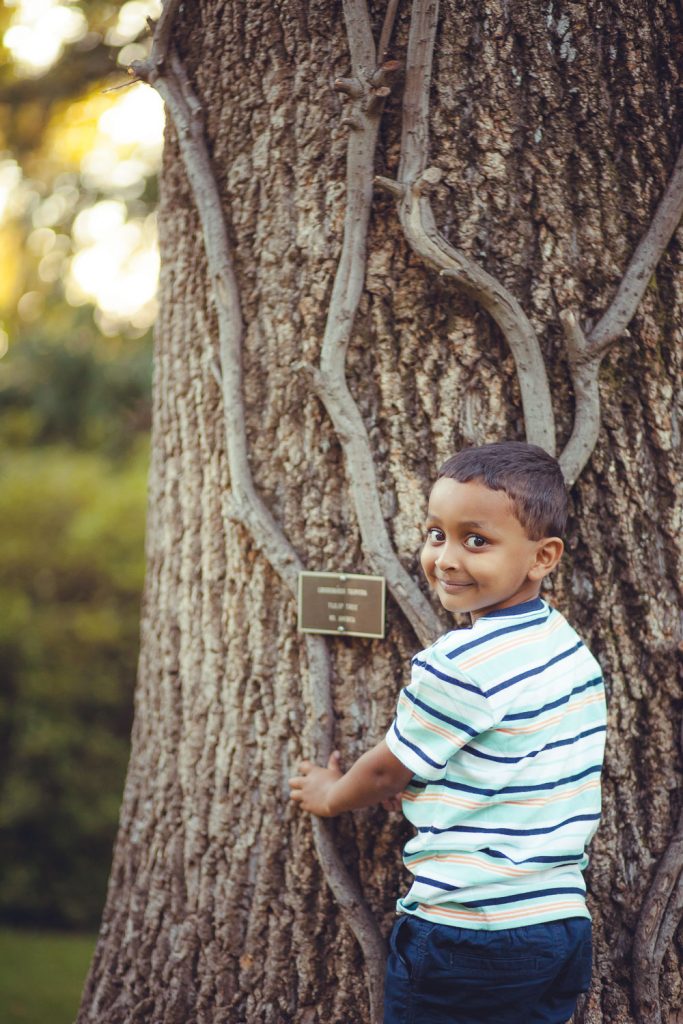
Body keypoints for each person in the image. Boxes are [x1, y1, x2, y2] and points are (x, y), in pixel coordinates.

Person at [289, 441, 606, 1024]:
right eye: (437, 534)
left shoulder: (458, 663)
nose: (447, 557)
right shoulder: (564, 647)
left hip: (467, 931)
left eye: (476, 540)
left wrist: (331, 795)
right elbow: (515, 757)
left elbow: (389, 767)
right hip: (558, 926)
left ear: (543, 557)